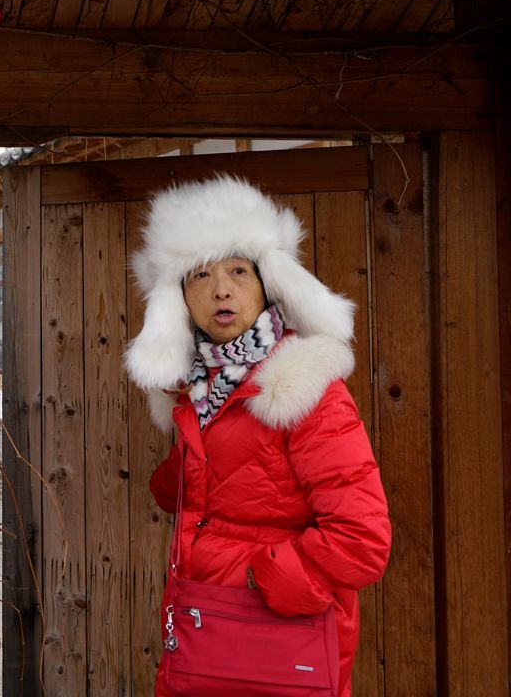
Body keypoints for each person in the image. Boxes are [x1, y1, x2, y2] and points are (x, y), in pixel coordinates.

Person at [123, 176, 391, 697]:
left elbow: (362, 539)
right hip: (206, 636)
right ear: (177, 298)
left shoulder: (301, 386)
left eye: (238, 271)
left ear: (269, 283)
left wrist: (260, 579)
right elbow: (204, 490)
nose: (221, 288)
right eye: (200, 274)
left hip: (277, 640)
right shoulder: (198, 393)